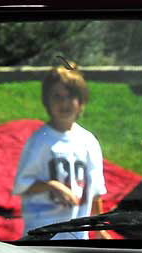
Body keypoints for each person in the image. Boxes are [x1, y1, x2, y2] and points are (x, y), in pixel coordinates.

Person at [13, 64, 106, 239]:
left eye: (70, 96)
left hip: (76, 237)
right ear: (47, 101)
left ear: (80, 101)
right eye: (57, 96)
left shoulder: (88, 142)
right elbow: (22, 184)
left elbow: (95, 191)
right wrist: (52, 185)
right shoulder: (39, 141)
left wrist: (99, 229)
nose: (64, 103)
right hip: (41, 235)